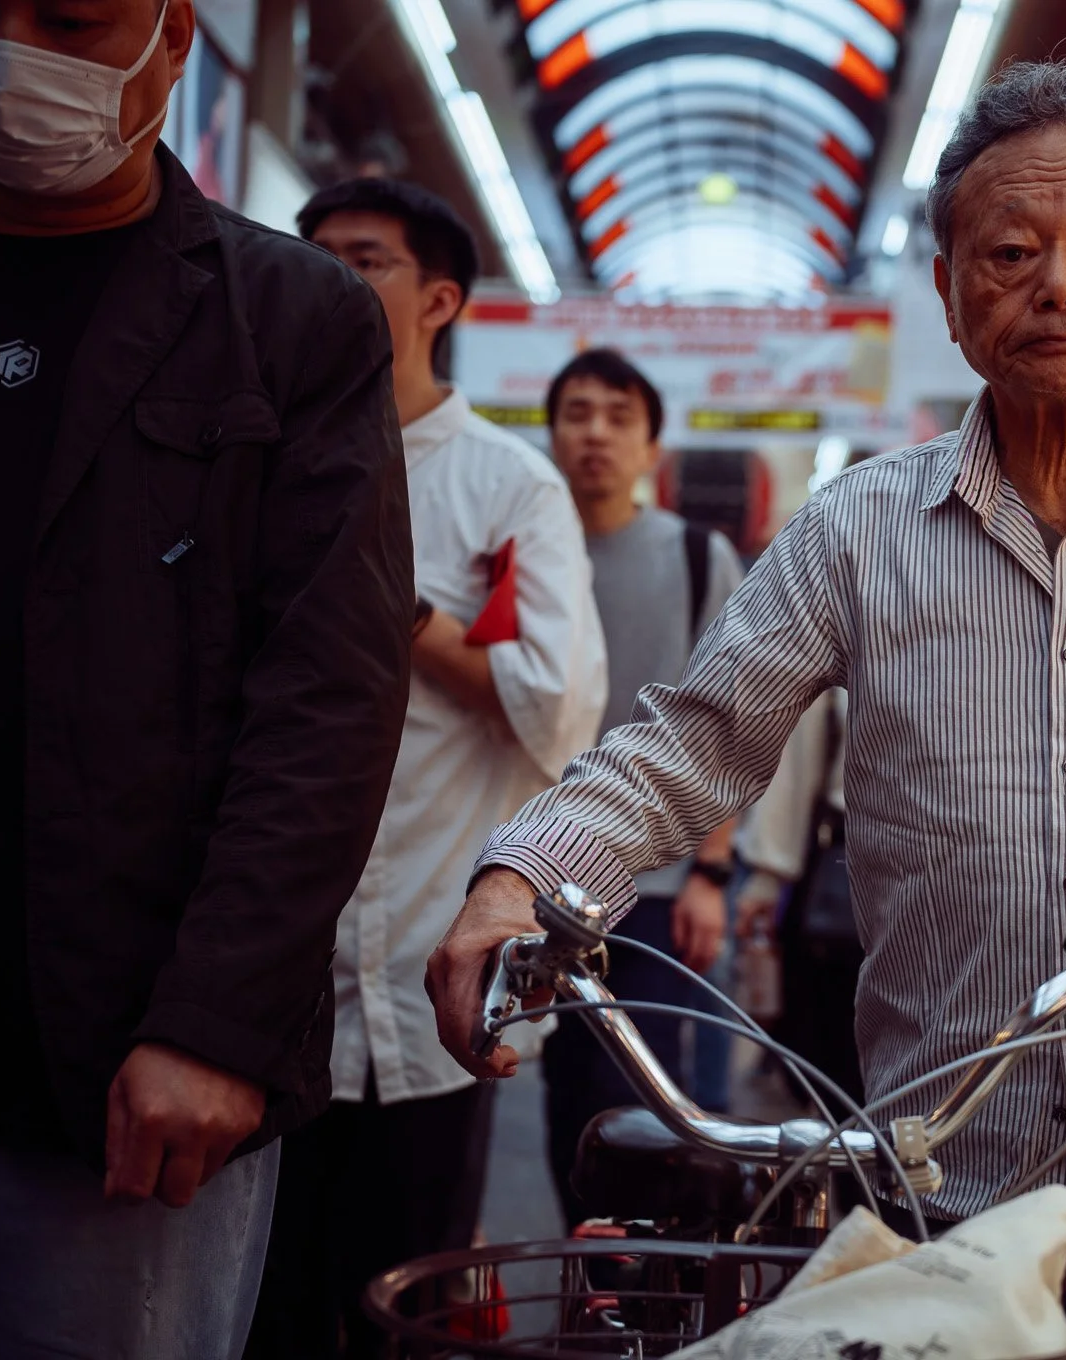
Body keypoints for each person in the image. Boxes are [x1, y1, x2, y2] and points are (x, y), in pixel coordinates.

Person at [430, 62, 1066, 1355]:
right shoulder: (857, 530)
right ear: (947, 293)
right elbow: (691, 744)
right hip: (946, 1174)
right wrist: (518, 880)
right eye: (1009, 251)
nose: (1059, 283)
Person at [0, 2, 414, 1356]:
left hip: (109, 1076)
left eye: (72, 18)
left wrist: (218, 1023)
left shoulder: (288, 320)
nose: (10, 52)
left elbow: (326, 702)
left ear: (173, 38)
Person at [238, 180, 606, 1358]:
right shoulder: (254, 458)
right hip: (260, 976)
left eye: (363, 259)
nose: (328, 280)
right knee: (262, 1307)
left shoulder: (506, 484)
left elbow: (559, 704)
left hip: (422, 974)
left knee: (406, 1307)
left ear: (439, 300)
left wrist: (399, 613)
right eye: (313, 256)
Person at [535, 348, 745, 1218]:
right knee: (564, 1093)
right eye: (577, 413)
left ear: (651, 445)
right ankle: (586, 1271)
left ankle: (650, 1278)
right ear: (552, 433)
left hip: (656, 885)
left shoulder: (697, 555)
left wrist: (711, 871)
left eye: (619, 418)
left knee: (650, 1097)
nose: (596, 434)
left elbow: (733, 719)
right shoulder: (525, 555)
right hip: (541, 882)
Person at [735, 688, 865, 1102]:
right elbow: (795, 766)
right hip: (846, 868)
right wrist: (767, 877)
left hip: (967, 881)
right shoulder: (860, 655)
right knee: (838, 1050)